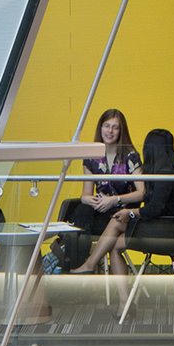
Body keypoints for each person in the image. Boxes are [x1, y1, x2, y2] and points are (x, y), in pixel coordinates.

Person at [80, 127, 174, 271]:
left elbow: (154, 209)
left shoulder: (164, 175)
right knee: (114, 242)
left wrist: (130, 213)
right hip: (173, 227)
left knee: (117, 222)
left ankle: (89, 265)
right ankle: (91, 266)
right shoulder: (170, 171)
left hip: (167, 231)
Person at [59, 109, 144, 263]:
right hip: (100, 211)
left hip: (122, 215)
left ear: (121, 131)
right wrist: (90, 200)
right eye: (106, 126)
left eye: (115, 127)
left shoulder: (130, 156)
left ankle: (77, 262)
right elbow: (85, 194)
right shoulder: (91, 157)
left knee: (80, 222)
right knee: (82, 210)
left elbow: (142, 193)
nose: (110, 131)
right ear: (100, 127)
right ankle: (75, 261)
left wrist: (114, 200)